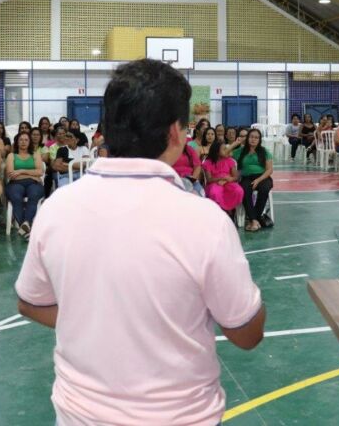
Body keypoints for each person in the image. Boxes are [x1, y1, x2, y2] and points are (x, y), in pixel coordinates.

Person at [15, 59, 264, 426]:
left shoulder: (56, 208)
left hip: (79, 416)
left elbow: (30, 303)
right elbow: (246, 333)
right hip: (179, 417)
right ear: (176, 133)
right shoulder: (204, 220)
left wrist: (97, 318)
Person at [5, 131, 45, 238]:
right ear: (17, 142)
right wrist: (32, 175)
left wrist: (20, 171)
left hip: (33, 183)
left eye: (26, 140)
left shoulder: (35, 154)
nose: (23, 142)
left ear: (30, 142)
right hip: (15, 183)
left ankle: (25, 225)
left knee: (33, 196)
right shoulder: (11, 155)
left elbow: (40, 172)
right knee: (16, 197)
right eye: (21, 140)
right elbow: (10, 175)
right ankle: (27, 227)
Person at [234, 128, 274, 232]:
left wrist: (259, 180)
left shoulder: (264, 151)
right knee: (244, 189)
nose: (253, 139)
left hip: (263, 176)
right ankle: (255, 220)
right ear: (247, 138)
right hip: (247, 177)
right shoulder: (240, 151)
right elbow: (225, 153)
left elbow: (269, 170)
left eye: (256, 137)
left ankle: (253, 219)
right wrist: (236, 143)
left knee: (265, 188)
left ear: (259, 140)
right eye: (251, 137)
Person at [202, 140, 244, 213]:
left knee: (238, 190)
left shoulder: (230, 161)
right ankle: (219, 211)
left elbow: (235, 177)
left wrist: (227, 180)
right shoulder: (208, 162)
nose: (227, 151)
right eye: (224, 149)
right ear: (217, 151)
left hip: (228, 181)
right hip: (214, 182)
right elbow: (209, 179)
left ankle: (230, 209)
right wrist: (221, 178)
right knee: (215, 192)